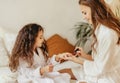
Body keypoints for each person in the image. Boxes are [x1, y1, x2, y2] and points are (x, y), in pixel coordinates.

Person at [58, 0, 120, 83]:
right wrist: (84, 55)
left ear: (95, 10)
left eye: (84, 13)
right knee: (59, 73)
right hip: (96, 71)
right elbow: (99, 59)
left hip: (106, 77)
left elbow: (101, 68)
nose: (83, 17)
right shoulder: (99, 28)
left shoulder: (108, 33)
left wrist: (77, 61)